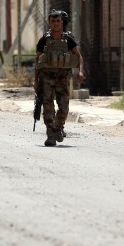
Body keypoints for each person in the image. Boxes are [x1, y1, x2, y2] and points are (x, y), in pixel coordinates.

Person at [34, 9, 84, 147]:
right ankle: (50, 136)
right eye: (53, 21)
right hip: (46, 77)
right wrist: (35, 81)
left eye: (58, 21)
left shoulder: (68, 39)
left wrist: (80, 72)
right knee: (48, 106)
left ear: (62, 22)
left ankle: (57, 128)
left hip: (63, 78)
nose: (56, 23)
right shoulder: (44, 39)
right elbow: (37, 61)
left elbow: (79, 56)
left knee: (64, 107)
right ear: (49, 23)